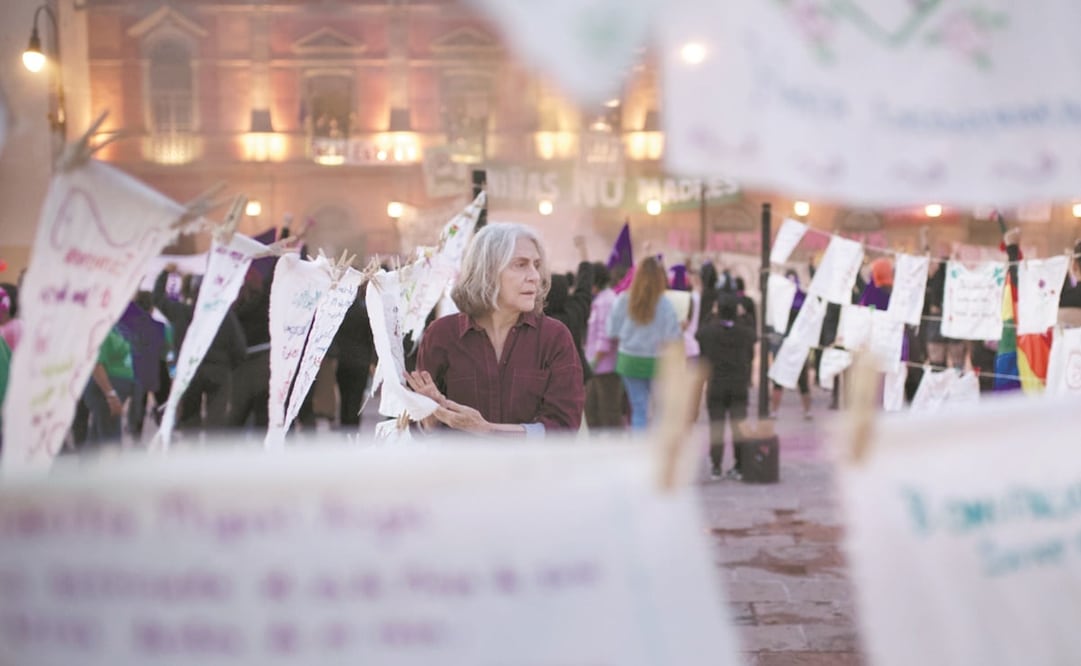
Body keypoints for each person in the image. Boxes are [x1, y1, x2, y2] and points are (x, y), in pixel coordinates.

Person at [407, 223, 584, 435]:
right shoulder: (442, 335)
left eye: (536, 265)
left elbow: (564, 430)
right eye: (520, 264)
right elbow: (421, 431)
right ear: (487, 271)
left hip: (533, 468)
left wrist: (488, 430)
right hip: (460, 468)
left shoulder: (554, 337)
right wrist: (431, 414)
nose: (535, 276)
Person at [606, 255, 683, 430]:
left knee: (639, 410)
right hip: (658, 362)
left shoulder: (623, 300)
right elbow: (673, 338)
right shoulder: (665, 304)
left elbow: (611, 331)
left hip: (629, 360)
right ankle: (656, 452)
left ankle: (639, 452)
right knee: (660, 412)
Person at [697, 294, 757, 480]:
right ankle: (739, 465)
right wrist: (742, 316)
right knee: (739, 425)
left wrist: (712, 315)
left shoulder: (708, 332)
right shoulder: (745, 333)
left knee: (717, 425)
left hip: (716, 384)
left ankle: (716, 465)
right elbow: (752, 339)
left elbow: (700, 334)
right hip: (738, 384)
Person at [583, 263, 627, 429]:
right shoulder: (602, 299)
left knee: (609, 411)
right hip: (597, 366)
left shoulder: (605, 302)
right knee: (592, 410)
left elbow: (605, 335)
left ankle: (614, 451)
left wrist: (595, 360)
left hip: (605, 366)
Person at [770, 269, 812, 419]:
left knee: (781, 379)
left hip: (787, 343)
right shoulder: (803, 298)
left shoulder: (782, 299)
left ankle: (775, 411)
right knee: (801, 381)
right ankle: (807, 411)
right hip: (796, 344)